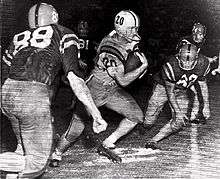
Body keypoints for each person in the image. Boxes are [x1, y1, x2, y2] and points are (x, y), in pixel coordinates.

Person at [0, 3, 107, 178]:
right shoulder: (63, 32)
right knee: (36, 164)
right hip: (32, 93)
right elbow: (75, 79)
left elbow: (4, 73)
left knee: (22, 150)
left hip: (8, 93)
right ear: (55, 17)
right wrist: (95, 113)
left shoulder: (18, 37)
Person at [50, 10, 148, 165]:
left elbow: (126, 48)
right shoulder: (111, 51)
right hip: (94, 91)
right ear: (122, 29)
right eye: (132, 29)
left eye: (136, 28)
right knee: (76, 130)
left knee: (136, 116)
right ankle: (57, 153)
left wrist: (132, 48)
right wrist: (142, 68)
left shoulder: (116, 35)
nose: (135, 32)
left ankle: (107, 143)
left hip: (110, 90)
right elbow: (123, 81)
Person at [142, 44, 211, 149]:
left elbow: (202, 85)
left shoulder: (203, 63)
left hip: (181, 90)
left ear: (196, 58)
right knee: (148, 122)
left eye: (190, 61)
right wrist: (177, 112)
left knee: (179, 121)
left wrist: (206, 106)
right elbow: (170, 93)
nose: (187, 64)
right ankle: (144, 126)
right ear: (178, 56)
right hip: (163, 88)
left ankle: (153, 140)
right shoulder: (171, 65)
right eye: (184, 60)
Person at [175, 22, 218, 123]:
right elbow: (187, 57)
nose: (199, 37)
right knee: (182, 92)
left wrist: (211, 59)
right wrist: (209, 59)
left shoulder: (202, 41)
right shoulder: (185, 41)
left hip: (192, 68)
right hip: (181, 69)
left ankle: (194, 116)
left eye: (201, 35)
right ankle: (181, 115)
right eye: (197, 34)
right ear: (193, 33)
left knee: (199, 91)